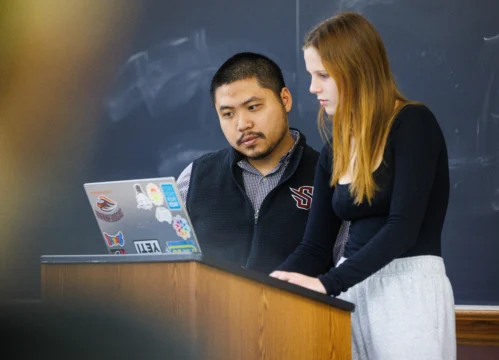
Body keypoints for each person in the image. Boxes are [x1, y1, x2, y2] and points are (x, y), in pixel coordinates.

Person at [270, 12, 456, 360]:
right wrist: (270, 283)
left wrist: (329, 284)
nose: (312, 88)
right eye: (312, 75)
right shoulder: (334, 149)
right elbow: (315, 247)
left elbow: (403, 228)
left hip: (408, 289)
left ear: (357, 70)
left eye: (323, 75)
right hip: (351, 289)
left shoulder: (413, 124)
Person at [177, 52, 348, 273]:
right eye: (228, 114)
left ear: (284, 99)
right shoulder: (194, 178)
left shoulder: (331, 176)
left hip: (300, 307)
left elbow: (348, 268)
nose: (242, 124)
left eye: (253, 107)